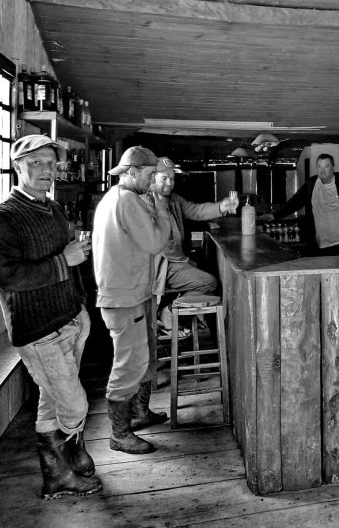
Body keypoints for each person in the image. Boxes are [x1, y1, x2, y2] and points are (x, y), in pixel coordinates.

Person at [0, 134, 102, 499]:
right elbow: (7, 276)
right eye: (36, 162)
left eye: (51, 163)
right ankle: (72, 453)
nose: (46, 170)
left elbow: (67, 252)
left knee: (51, 399)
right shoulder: (4, 216)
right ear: (17, 165)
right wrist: (63, 261)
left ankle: (58, 476)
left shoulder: (52, 208)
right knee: (74, 403)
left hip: (70, 317)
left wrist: (80, 302)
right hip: (38, 329)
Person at [93, 146, 172, 454]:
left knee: (139, 358)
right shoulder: (128, 201)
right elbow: (155, 242)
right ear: (133, 172)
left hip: (124, 293)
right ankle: (120, 434)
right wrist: (162, 209)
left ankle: (139, 414)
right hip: (124, 297)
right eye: (150, 175)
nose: (153, 181)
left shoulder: (114, 198)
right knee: (129, 365)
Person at [149, 157, 239, 333]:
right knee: (210, 283)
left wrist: (223, 206)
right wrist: (185, 260)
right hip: (159, 266)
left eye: (172, 178)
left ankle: (179, 313)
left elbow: (196, 210)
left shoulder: (173, 199)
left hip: (173, 263)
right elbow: (162, 245)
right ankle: (168, 311)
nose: (169, 182)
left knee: (208, 276)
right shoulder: (146, 203)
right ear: (151, 178)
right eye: (164, 178)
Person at [264, 154, 339, 255]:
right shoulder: (311, 184)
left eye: (326, 166)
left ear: (333, 167)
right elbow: (295, 203)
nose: (322, 170)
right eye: (319, 166)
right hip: (318, 244)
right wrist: (275, 215)